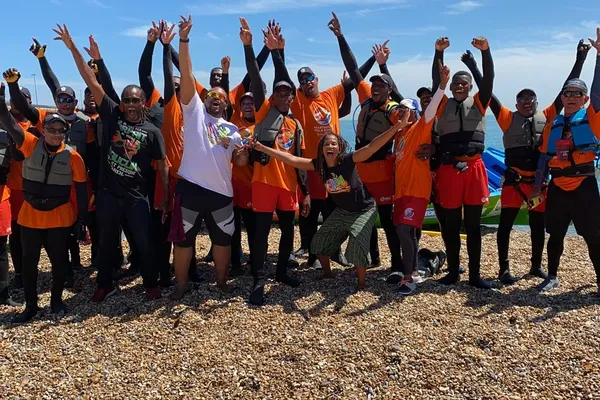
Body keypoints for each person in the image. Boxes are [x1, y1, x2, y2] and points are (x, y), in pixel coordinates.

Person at [54, 23, 169, 302]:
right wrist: (72, 49)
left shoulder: (152, 131)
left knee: (144, 242)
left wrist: (165, 198)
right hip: (107, 194)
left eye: (135, 100)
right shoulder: (112, 115)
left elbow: (163, 165)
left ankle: (150, 283)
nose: (130, 104)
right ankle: (104, 283)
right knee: (105, 243)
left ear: (144, 102)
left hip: (137, 197)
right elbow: (92, 81)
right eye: (127, 99)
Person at [461, 40, 590, 284]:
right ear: (517, 103)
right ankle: (503, 269)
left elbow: (567, 90)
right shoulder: (507, 117)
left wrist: (580, 59)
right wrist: (472, 64)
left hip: (538, 184)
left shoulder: (549, 115)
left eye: (531, 100)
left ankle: (535, 266)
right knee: (506, 226)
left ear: (537, 103)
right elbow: (487, 90)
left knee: (537, 226)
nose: (526, 103)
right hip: (513, 181)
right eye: (522, 100)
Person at [251, 108, 411, 290]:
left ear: (340, 147)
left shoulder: (348, 160)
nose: (331, 147)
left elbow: (371, 146)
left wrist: (398, 127)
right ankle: (327, 273)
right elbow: (290, 158)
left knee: (357, 243)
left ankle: (361, 283)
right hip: (342, 211)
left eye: (334, 144)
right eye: (327, 144)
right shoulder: (318, 165)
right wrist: (263, 148)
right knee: (318, 242)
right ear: (322, 149)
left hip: (363, 210)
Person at [168, 16, 247, 300]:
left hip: (221, 194)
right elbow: (186, 74)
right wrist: (184, 40)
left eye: (221, 96)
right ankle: (181, 285)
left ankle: (222, 283)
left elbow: (239, 163)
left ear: (227, 104)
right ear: (205, 99)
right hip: (189, 189)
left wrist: (241, 153)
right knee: (183, 241)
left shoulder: (233, 128)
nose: (216, 98)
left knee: (223, 241)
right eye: (211, 94)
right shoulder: (194, 114)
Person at [0, 83, 88, 323]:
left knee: (60, 261)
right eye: (52, 129)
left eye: (61, 131)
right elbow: (9, 123)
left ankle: (57, 301)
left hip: (60, 218)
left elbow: (80, 191)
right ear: (44, 130)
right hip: (30, 218)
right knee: (30, 263)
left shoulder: (74, 157)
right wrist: (2, 103)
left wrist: (82, 221)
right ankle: (30, 306)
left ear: (65, 133)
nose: (56, 134)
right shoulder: (29, 144)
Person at [330, 12, 404, 280]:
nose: (375, 88)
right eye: (373, 85)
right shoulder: (365, 98)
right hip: (361, 168)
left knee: (386, 216)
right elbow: (352, 68)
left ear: (388, 90)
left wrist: (384, 68)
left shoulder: (394, 110)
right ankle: (373, 257)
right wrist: (340, 36)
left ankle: (397, 264)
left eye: (381, 86)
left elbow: (406, 110)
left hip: (383, 169)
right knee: (364, 212)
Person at [292, 40, 378, 269]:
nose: (307, 83)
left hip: (336, 166)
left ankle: (335, 252)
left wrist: (375, 60)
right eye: (302, 81)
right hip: (314, 166)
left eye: (309, 78)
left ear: (316, 79)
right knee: (309, 211)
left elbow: (356, 76)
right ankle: (311, 252)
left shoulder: (331, 94)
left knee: (333, 206)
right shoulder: (299, 101)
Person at [240, 18, 307, 306]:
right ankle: (258, 278)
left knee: (289, 230)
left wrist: (303, 194)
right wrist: (251, 47)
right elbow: (256, 77)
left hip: (288, 185)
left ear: (292, 97)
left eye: (286, 92)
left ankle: (281, 271)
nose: (282, 95)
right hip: (264, 182)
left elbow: (299, 159)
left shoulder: (295, 123)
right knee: (261, 231)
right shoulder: (264, 109)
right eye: (278, 91)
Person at [532, 27, 600, 293]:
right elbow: (544, 159)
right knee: (555, 235)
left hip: (584, 186)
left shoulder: (592, 117)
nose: (571, 98)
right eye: (567, 94)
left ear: (583, 99)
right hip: (558, 187)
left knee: (594, 236)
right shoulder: (553, 123)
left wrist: (597, 58)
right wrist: (538, 186)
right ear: (562, 98)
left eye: (576, 94)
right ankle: (551, 276)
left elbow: (597, 93)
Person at [430, 36, 495, 289]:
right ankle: (454, 271)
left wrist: (485, 52)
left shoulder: (480, 102)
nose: (459, 86)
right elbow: (437, 82)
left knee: (473, 226)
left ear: (470, 87)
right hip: (449, 170)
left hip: (475, 168)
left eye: (463, 83)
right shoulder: (442, 103)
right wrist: (438, 54)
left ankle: (475, 275)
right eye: (455, 83)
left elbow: (488, 79)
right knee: (451, 224)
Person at [394, 62, 448, 294]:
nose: (402, 113)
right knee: (405, 231)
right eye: (400, 109)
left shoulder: (419, 128)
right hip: (401, 192)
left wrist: (442, 86)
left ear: (415, 113)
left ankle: (409, 278)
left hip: (417, 190)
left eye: (407, 110)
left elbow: (432, 108)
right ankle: (415, 270)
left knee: (405, 231)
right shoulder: (399, 136)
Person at [1, 84, 36, 290]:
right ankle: (20, 274)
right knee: (15, 236)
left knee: (34, 235)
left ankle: (34, 273)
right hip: (13, 189)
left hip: (34, 188)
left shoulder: (37, 125)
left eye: (22, 98)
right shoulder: (4, 123)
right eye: (13, 99)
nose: (17, 102)